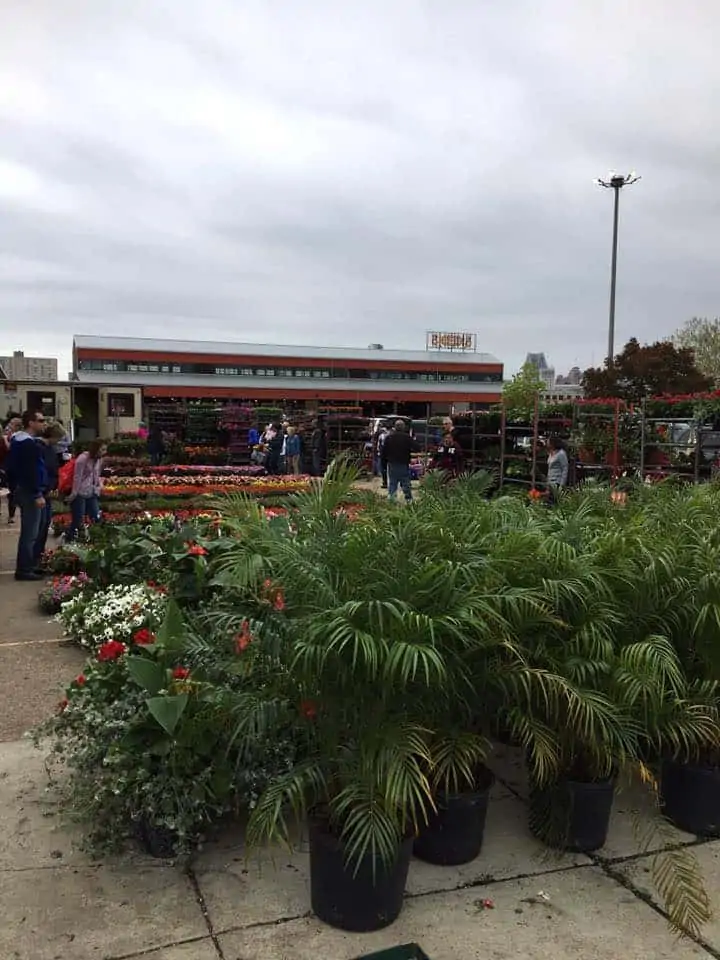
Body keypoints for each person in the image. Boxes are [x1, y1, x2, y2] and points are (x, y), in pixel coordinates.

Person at [5, 410, 48, 580]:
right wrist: (37, 493)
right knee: (30, 533)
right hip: (30, 492)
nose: (44, 423)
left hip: (23, 490)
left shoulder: (18, 440)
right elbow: (30, 471)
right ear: (31, 423)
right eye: (41, 420)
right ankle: (24, 569)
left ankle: (28, 566)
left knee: (33, 530)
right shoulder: (27, 445)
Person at [33, 423, 65, 568]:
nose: (59, 442)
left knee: (45, 524)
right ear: (52, 436)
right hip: (42, 491)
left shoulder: (49, 448)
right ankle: (34, 558)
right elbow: (41, 470)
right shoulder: (40, 448)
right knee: (39, 526)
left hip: (48, 490)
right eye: (58, 438)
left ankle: (39, 556)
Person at [67, 439, 106, 541]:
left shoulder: (98, 460)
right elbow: (77, 477)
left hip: (92, 491)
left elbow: (97, 475)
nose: (104, 452)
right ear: (95, 449)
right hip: (80, 492)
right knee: (77, 519)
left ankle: (95, 539)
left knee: (96, 516)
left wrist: (98, 487)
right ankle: (69, 539)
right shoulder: (82, 459)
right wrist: (74, 494)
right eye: (102, 450)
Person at [383, 420, 417, 503]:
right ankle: (408, 499)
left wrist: (384, 463)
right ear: (403, 427)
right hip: (403, 463)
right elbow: (417, 447)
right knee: (405, 482)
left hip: (392, 463)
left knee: (392, 482)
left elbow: (384, 452)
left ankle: (392, 498)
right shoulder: (407, 437)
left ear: (395, 427)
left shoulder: (389, 437)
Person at [1, 417, 21, 523]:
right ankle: (11, 514)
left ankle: (12, 515)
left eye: (11, 424)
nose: (9, 426)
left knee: (12, 492)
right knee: (8, 492)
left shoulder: (17, 437)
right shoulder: (10, 435)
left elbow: (10, 449)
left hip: (14, 468)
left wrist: (4, 439)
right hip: (7, 467)